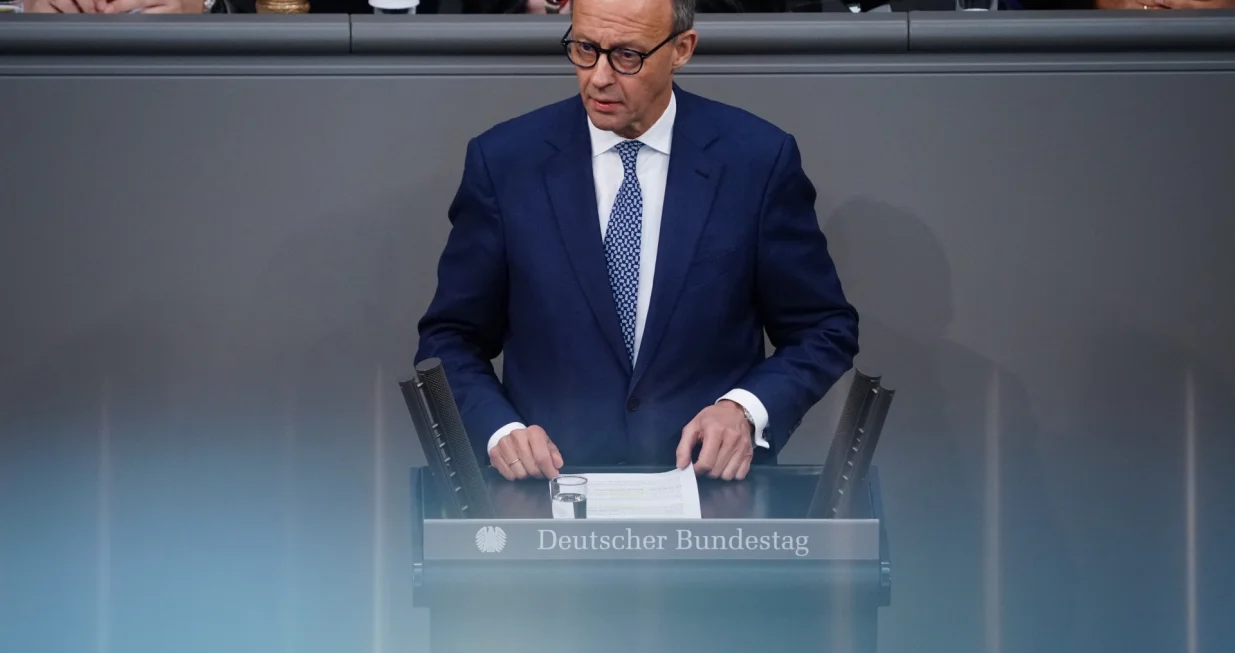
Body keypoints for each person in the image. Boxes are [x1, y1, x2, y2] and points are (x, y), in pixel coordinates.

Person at [416, 0, 859, 482]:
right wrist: (500, 431)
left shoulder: (755, 161)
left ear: (682, 49)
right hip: (548, 501)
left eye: (627, 55)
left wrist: (746, 409)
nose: (599, 77)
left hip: (709, 502)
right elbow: (450, 339)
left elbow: (823, 328)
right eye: (585, 48)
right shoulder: (505, 162)